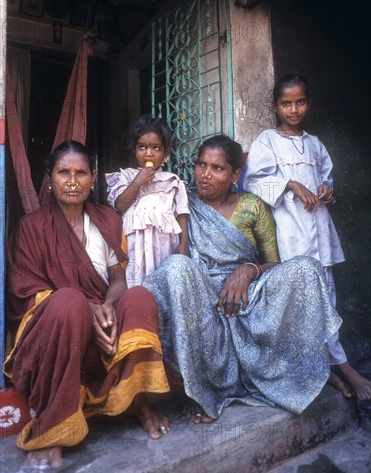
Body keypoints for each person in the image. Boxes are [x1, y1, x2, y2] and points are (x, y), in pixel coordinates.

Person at [143, 134, 344, 423]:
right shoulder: (182, 201)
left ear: (236, 174)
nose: (205, 175)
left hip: (250, 292)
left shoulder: (252, 206)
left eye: (217, 168)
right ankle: (202, 391)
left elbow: (274, 264)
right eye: (201, 165)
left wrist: (247, 271)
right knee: (176, 267)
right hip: (202, 292)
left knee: (306, 268)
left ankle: (313, 370)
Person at [3, 140, 170, 468]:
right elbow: (25, 294)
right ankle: (54, 424)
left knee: (138, 297)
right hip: (56, 333)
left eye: (80, 173)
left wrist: (107, 305)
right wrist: (87, 308)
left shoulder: (107, 220)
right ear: (49, 178)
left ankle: (137, 400)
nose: (71, 180)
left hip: (100, 328)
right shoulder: (30, 228)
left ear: (93, 178)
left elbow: (118, 280)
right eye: (63, 172)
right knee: (69, 302)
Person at [244, 73, 371, 401]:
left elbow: (326, 175)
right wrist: (291, 184)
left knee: (326, 298)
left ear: (308, 103)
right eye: (286, 103)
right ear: (275, 106)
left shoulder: (315, 144)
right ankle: (337, 368)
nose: (294, 109)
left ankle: (331, 365)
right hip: (289, 233)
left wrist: (327, 188)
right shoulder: (267, 141)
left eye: (300, 102)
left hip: (319, 231)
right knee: (302, 303)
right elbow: (253, 181)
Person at [106, 115, 190, 287]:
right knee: (135, 286)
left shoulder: (173, 181)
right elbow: (120, 204)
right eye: (142, 147)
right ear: (134, 151)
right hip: (134, 247)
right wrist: (137, 182)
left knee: (164, 285)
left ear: (165, 153)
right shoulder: (126, 177)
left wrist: (184, 243)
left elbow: (182, 213)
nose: (149, 153)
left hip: (164, 247)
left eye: (156, 148)